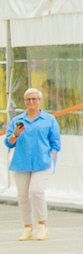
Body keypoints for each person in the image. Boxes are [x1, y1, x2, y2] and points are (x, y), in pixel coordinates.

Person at [8, 87, 62, 241]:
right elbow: (9, 142)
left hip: (42, 162)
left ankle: (42, 225)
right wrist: (15, 134)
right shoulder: (17, 120)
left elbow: (56, 142)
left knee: (36, 191)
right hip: (21, 163)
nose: (31, 102)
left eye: (34, 99)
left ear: (39, 101)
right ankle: (27, 227)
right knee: (23, 196)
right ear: (25, 102)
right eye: (28, 99)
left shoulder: (49, 120)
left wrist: (51, 157)